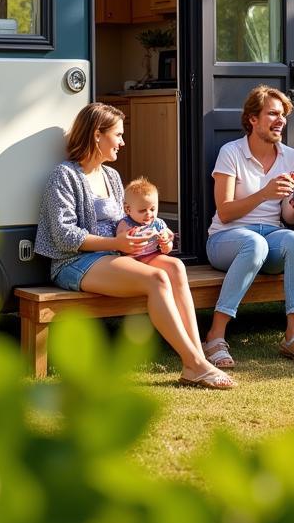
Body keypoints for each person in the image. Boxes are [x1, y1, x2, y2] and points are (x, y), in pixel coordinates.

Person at [36, 102, 234, 390]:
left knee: (175, 267)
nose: (122, 142)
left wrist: (157, 238)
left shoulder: (112, 177)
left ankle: (198, 358)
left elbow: (128, 222)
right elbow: (64, 235)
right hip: (74, 262)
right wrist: (117, 242)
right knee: (156, 278)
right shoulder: (64, 175)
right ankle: (195, 364)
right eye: (118, 134)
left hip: (116, 256)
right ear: (97, 135)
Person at [203, 86, 294, 369]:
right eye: (272, 114)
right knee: (254, 244)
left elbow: (288, 218)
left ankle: (293, 336)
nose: (280, 120)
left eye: (283, 115)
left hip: (271, 237)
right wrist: (264, 193)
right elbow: (225, 212)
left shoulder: (289, 156)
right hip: (226, 239)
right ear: (253, 119)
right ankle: (215, 336)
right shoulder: (230, 152)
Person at [117, 176, 176, 266]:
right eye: (142, 210)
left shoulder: (157, 223)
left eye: (152, 209)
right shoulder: (126, 224)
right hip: (131, 257)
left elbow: (170, 236)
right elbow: (120, 244)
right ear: (127, 209)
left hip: (152, 255)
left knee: (177, 264)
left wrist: (166, 245)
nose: (148, 213)